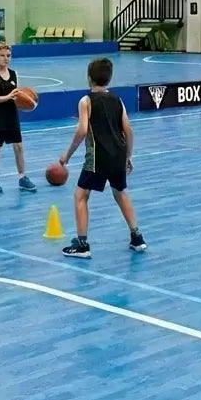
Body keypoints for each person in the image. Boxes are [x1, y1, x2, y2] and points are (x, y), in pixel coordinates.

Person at [58, 57, 146, 258]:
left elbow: (81, 130)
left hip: (98, 156)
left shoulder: (86, 101)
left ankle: (82, 244)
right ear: (109, 79)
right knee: (120, 192)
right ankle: (137, 237)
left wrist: (67, 154)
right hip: (118, 155)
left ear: (89, 78)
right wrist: (128, 156)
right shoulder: (118, 100)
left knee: (81, 195)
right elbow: (129, 130)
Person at [0, 41, 36, 193]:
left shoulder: (14, 74)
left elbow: (17, 96)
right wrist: (7, 97)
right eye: (2, 56)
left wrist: (24, 102)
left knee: (18, 146)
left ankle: (22, 177)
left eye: (8, 55)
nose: (6, 58)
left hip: (11, 115)